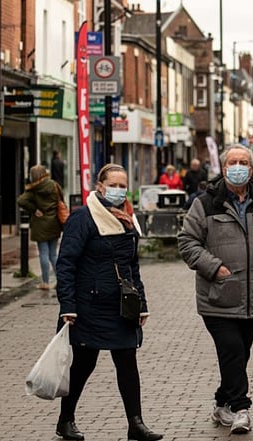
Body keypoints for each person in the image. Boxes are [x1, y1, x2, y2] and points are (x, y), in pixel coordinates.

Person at [177, 145, 253, 435]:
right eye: (232, 162)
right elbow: (187, 242)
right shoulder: (205, 203)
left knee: (239, 355)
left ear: (251, 169)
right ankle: (241, 408)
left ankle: (221, 402)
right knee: (232, 350)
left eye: (243, 162)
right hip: (218, 296)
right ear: (224, 168)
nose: (237, 167)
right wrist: (216, 269)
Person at [55, 164, 162, 441]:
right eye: (113, 184)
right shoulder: (83, 217)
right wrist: (68, 305)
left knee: (127, 361)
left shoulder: (127, 218)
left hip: (121, 304)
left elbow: (132, 266)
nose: (118, 190)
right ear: (100, 186)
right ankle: (66, 420)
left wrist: (141, 303)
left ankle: (136, 424)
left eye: (122, 185)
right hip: (88, 305)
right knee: (83, 364)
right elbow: (66, 263)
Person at [18, 165, 64, 291]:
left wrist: (34, 209)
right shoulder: (54, 185)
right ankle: (61, 281)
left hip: (40, 224)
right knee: (53, 254)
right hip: (54, 222)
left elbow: (21, 201)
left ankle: (45, 282)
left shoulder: (34, 189)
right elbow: (61, 201)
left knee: (43, 253)